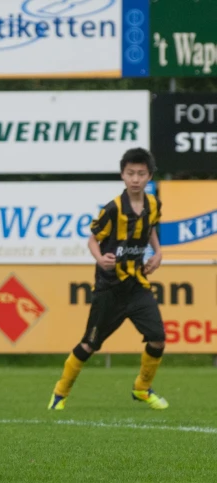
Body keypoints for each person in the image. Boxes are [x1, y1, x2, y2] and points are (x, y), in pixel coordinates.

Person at [48, 148, 168, 411]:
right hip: (109, 288)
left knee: (158, 337)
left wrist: (158, 253)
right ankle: (60, 392)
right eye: (130, 173)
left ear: (149, 176)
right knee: (89, 344)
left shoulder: (153, 204)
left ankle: (142, 389)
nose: (135, 179)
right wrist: (100, 258)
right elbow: (93, 239)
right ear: (122, 175)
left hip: (137, 285)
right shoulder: (113, 209)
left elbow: (150, 230)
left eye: (141, 174)